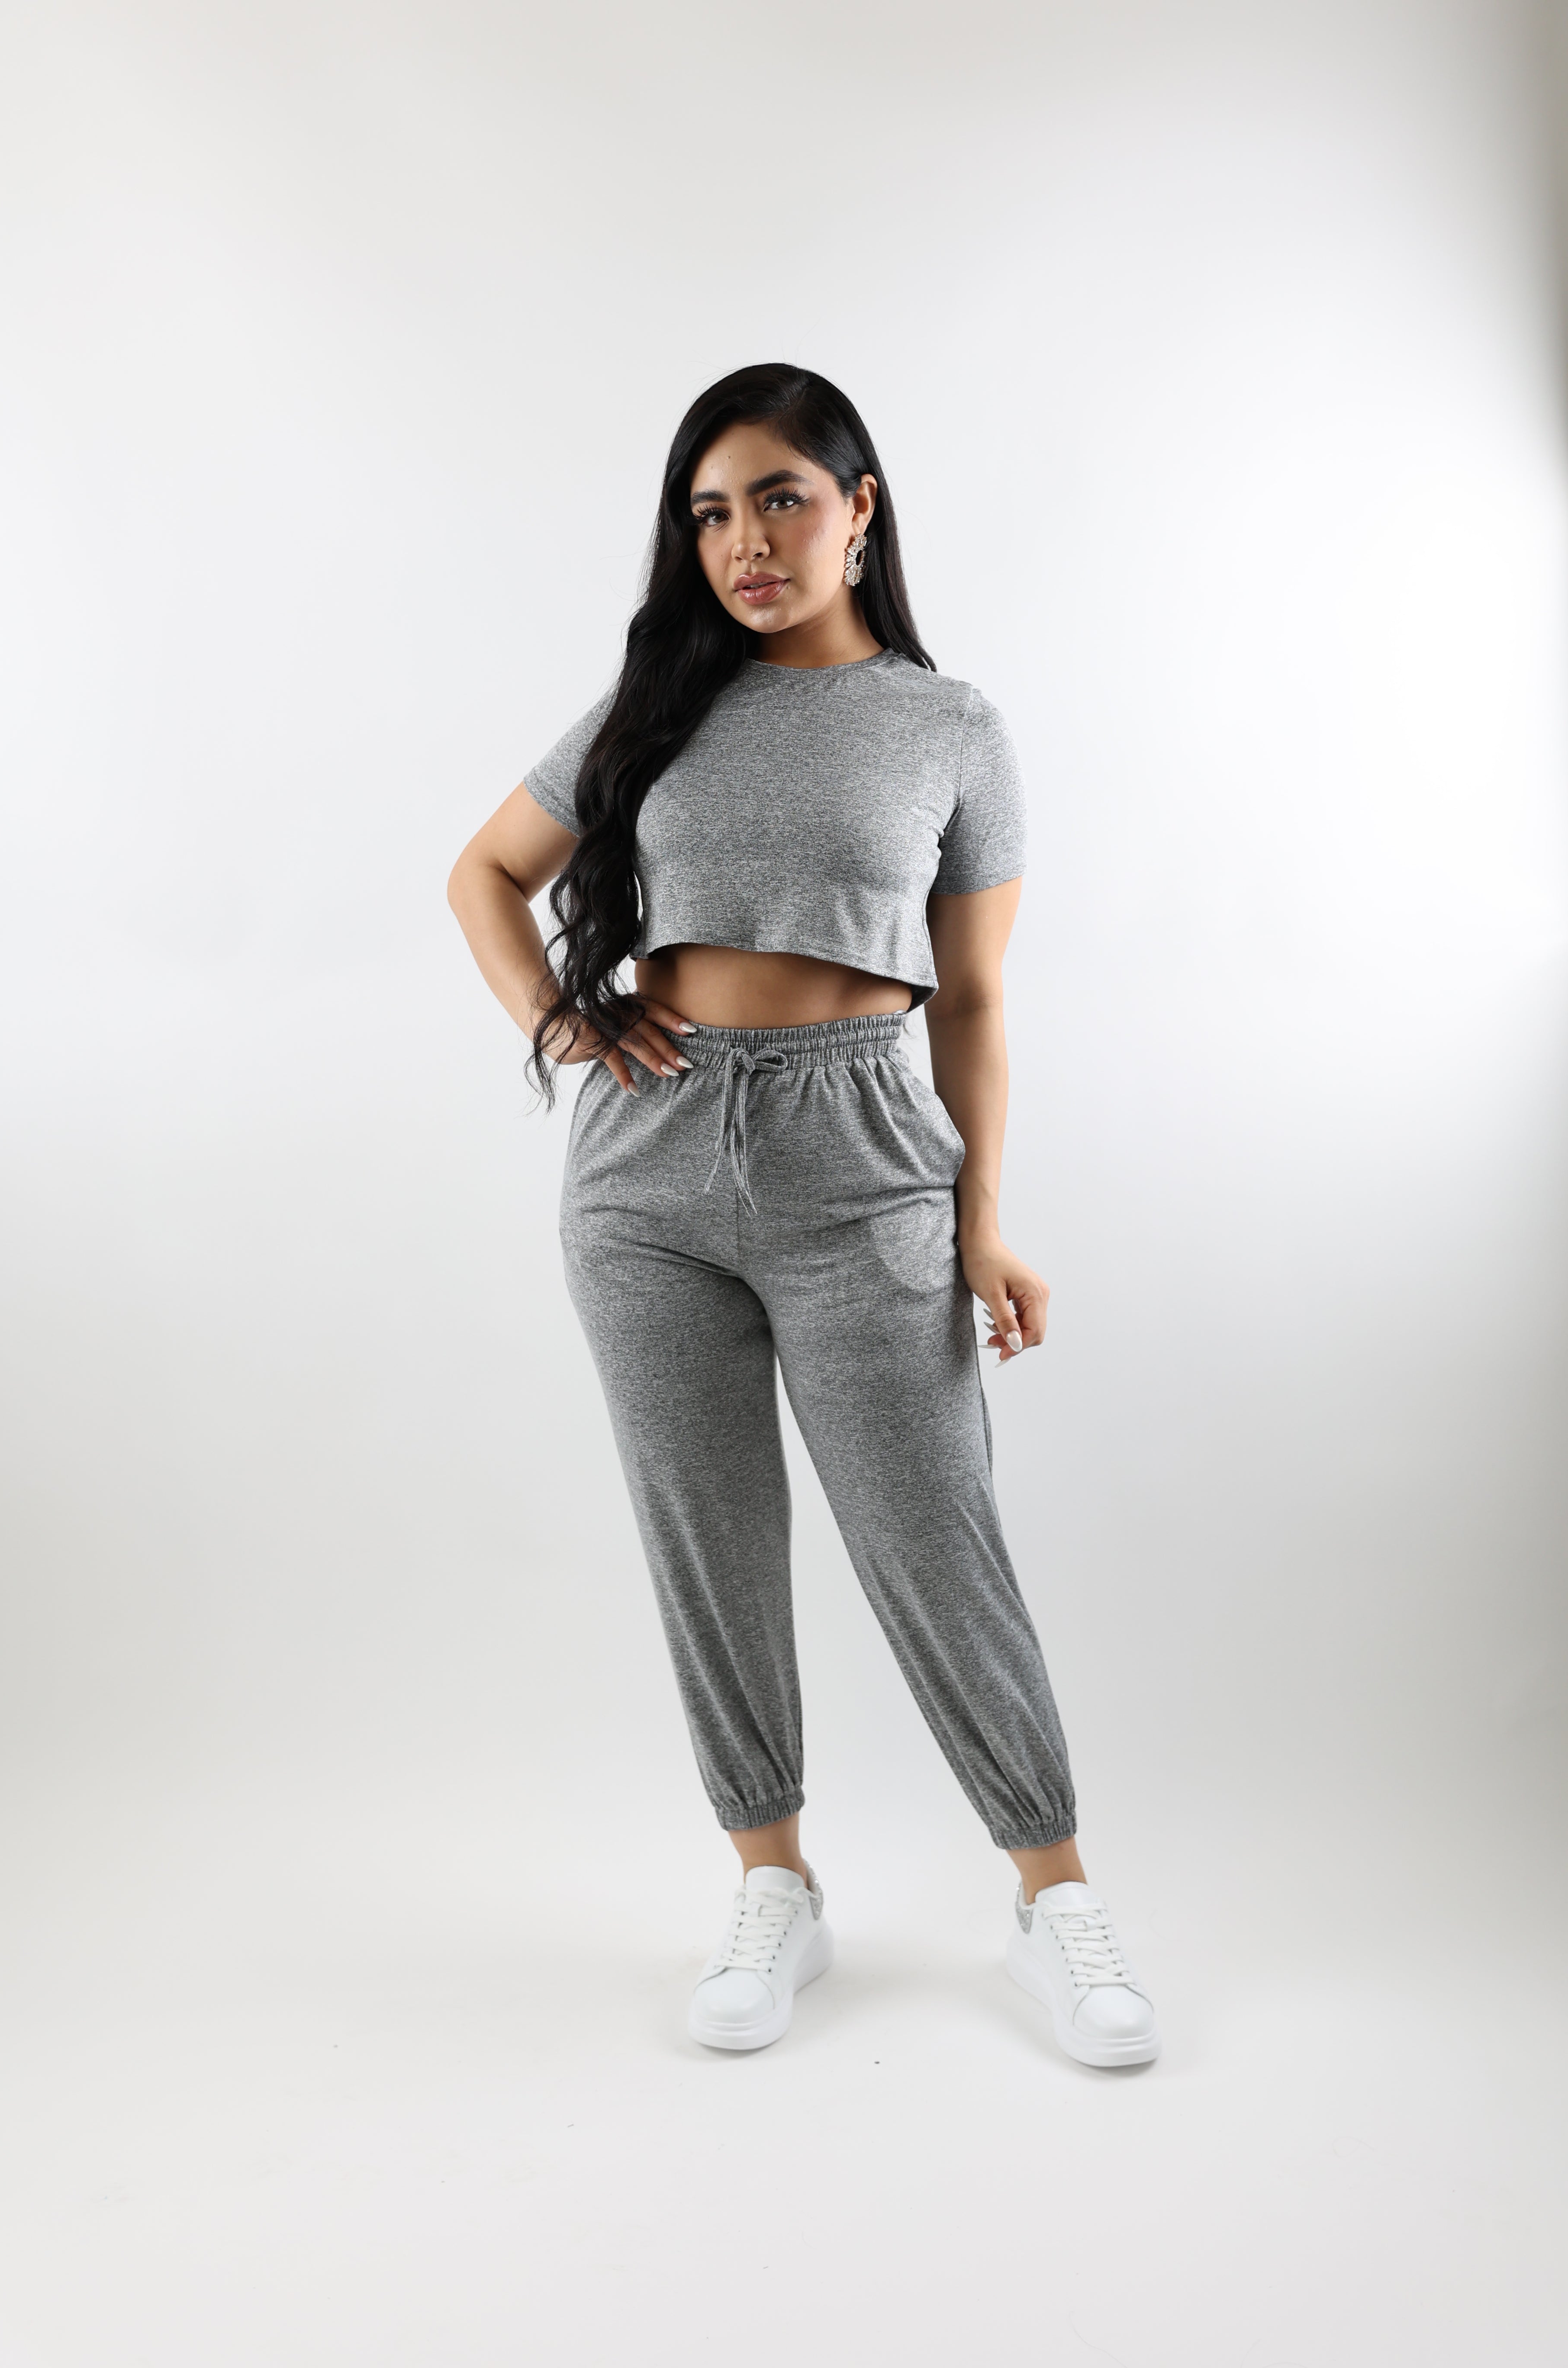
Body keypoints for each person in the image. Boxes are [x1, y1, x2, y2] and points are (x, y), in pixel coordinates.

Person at [448, 364, 1159, 2069]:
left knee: (933, 1533)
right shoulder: (653, 706)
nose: (746, 543)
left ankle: (1052, 1896)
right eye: (711, 514)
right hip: (646, 1171)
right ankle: (773, 1881)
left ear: (859, 508)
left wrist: (985, 1221)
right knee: (707, 1534)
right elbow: (484, 873)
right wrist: (561, 1020)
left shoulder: (952, 727)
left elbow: (973, 1000)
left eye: (780, 499)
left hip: (863, 1157)